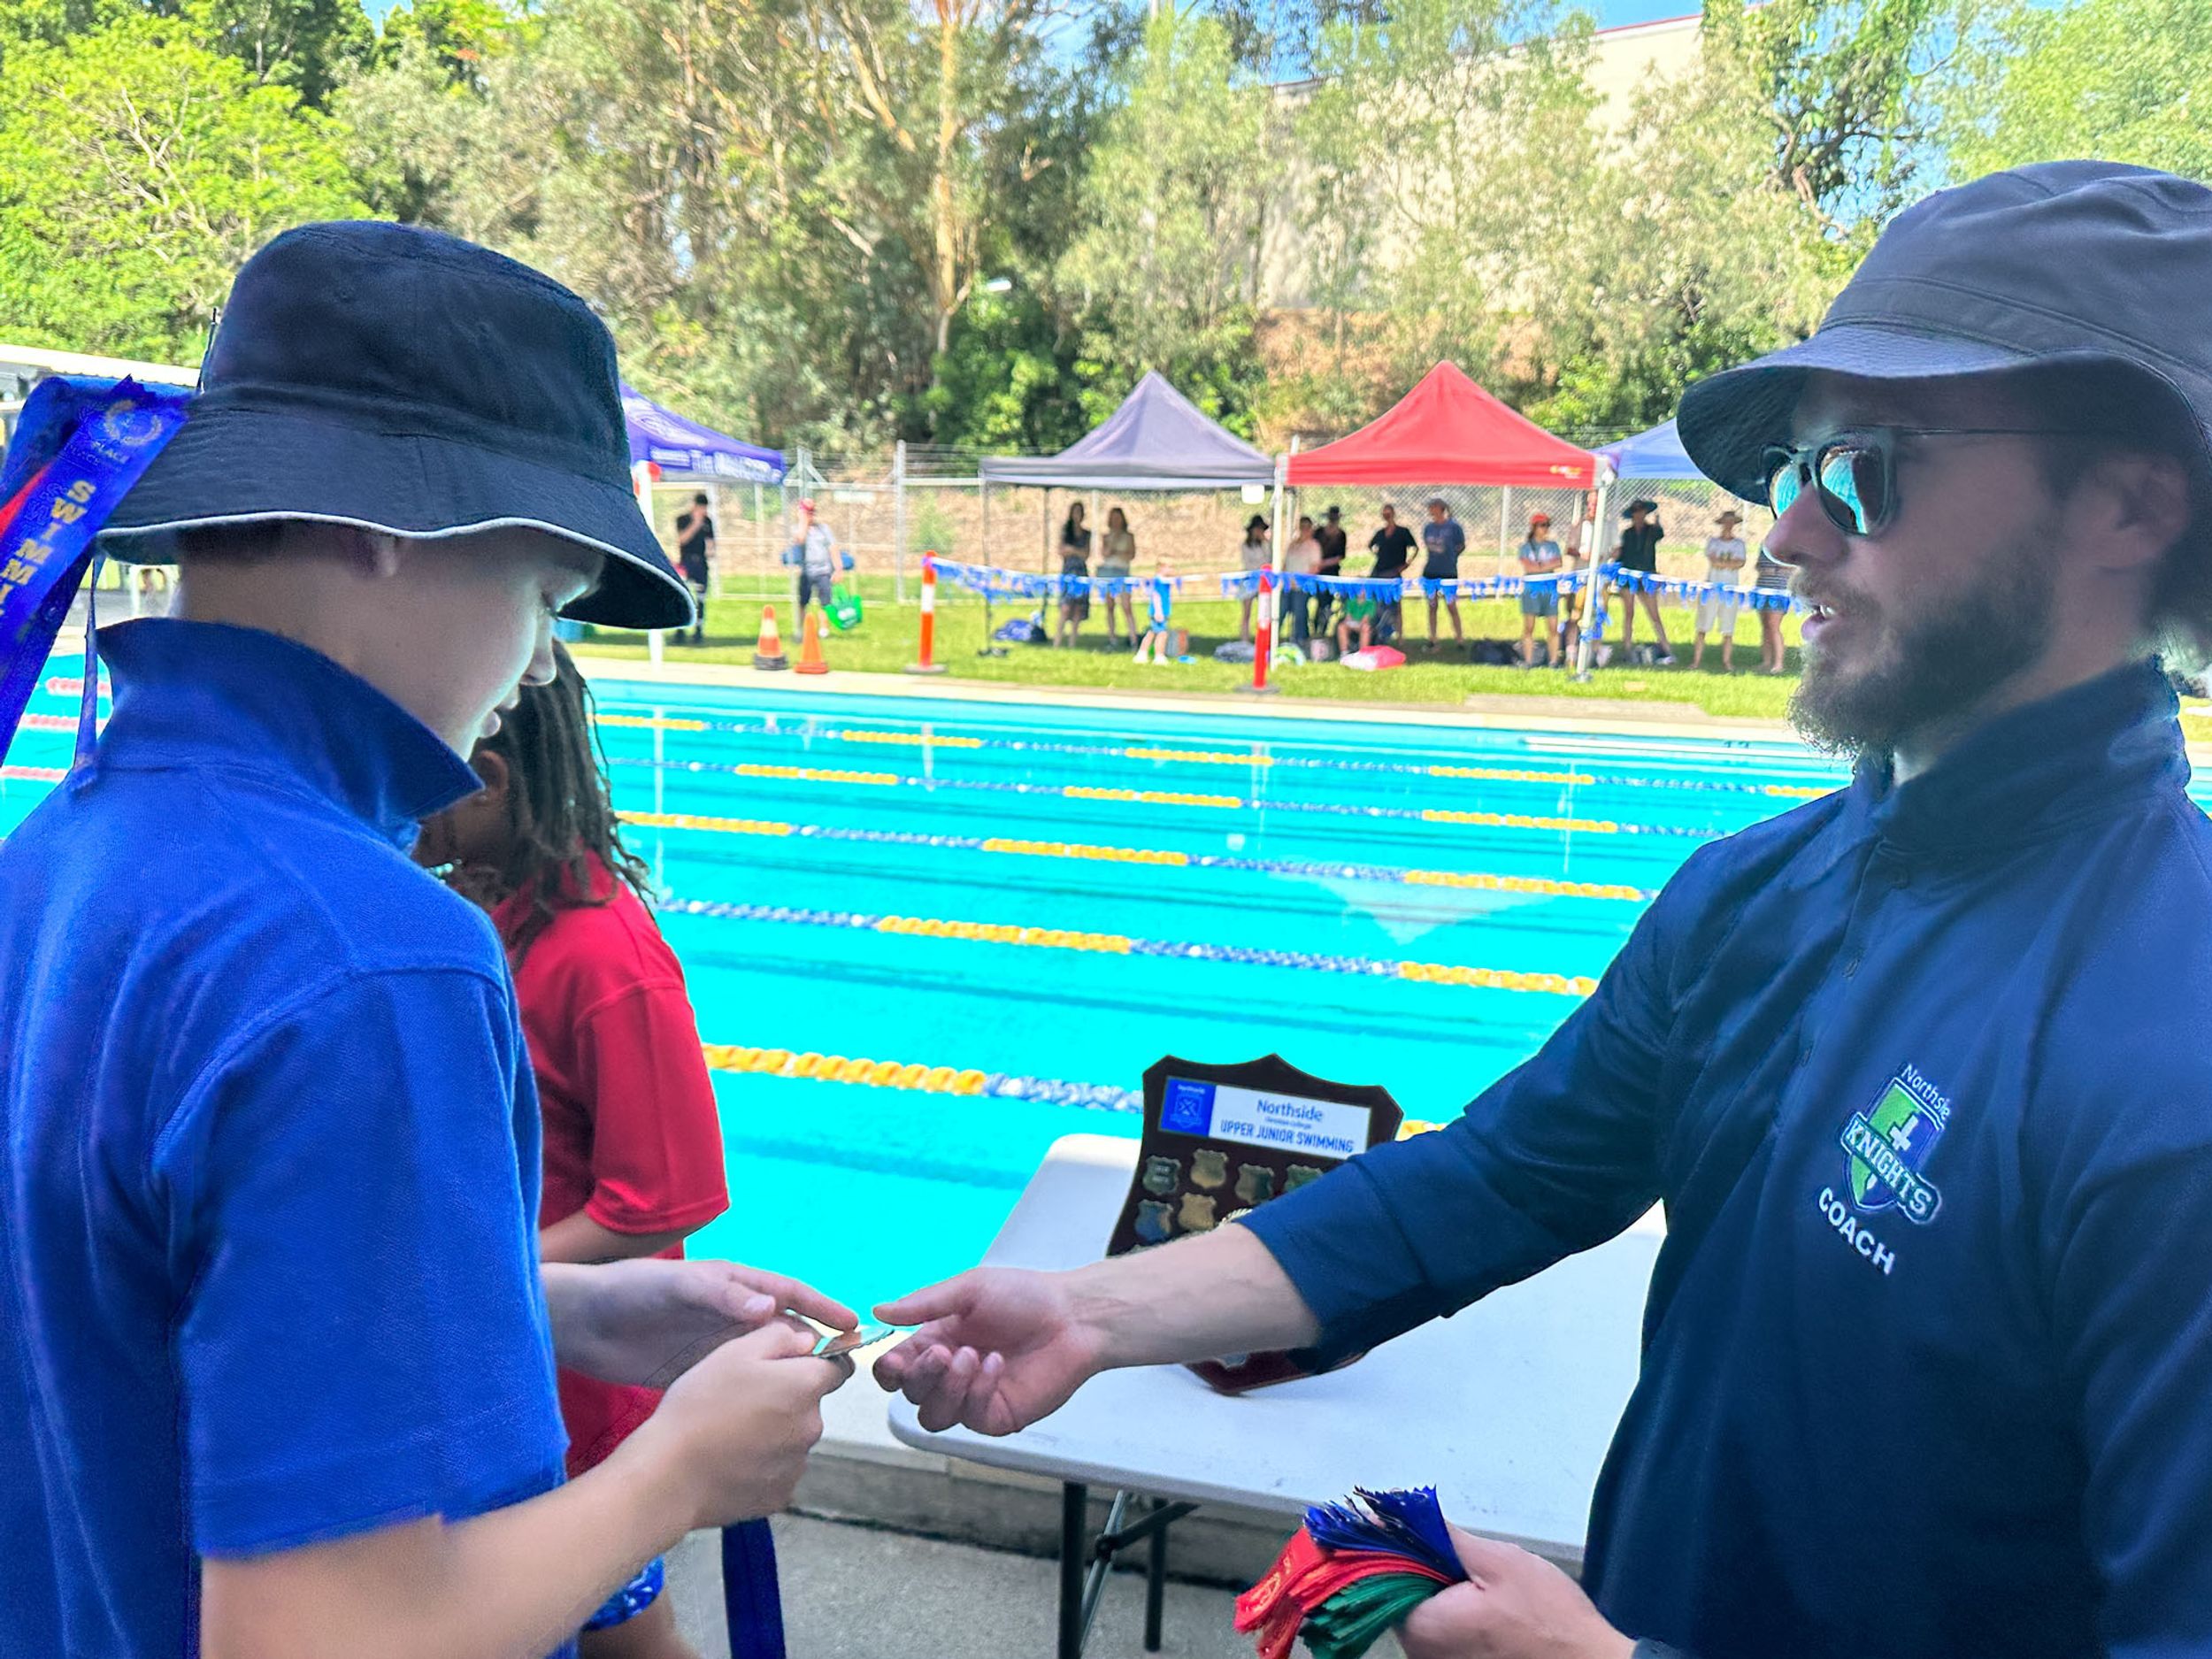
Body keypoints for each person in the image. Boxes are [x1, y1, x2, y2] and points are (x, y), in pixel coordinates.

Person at [872, 163, 2212, 1659]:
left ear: (2129, 501)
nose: (1788, 535)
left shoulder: (2174, 1059)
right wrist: (1095, 1313)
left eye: (1866, 469)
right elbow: (1501, 1177)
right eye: (1795, 469)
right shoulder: (1760, 895)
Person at [0, 223, 856, 1659]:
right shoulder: (369, 958)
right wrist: (677, 1471)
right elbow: (324, 1638)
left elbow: (129, 1316)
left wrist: (554, 1311)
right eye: (545, 598)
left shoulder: (58, 854)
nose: (541, 664)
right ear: (389, 522)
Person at [416, 642, 733, 1659]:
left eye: (415, 780)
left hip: (575, 1388)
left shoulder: (602, 958)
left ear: (487, 779)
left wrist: (480, 1275)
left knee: (620, 1629)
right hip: (509, 1354)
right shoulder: (490, 913)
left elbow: (664, 1200)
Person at [1611, 498, 1675, 664]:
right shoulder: (1627, 534)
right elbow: (1622, 555)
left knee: (1654, 614)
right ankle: (1627, 648)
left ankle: (1666, 648)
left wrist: (1658, 522)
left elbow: (1660, 534)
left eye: (1641, 512)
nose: (1639, 515)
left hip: (1647, 576)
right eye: (1636, 512)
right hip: (1629, 576)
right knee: (1629, 613)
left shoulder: (1651, 531)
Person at [1689, 509, 1748, 671]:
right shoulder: (1713, 542)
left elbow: (1740, 563)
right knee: (1703, 625)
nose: (1728, 525)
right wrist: (1728, 564)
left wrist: (1724, 564)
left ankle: (1727, 662)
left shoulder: (1739, 544)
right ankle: (1696, 661)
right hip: (1712, 588)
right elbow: (1714, 561)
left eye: (1731, 522)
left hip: (1730, 590)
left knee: (1728, 628)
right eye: (1726, 522)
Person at [1515, 511, 1564, 667]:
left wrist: (1540, 566)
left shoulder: (1553, 546)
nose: (1545, 528)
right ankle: (1528, 660)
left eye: (1547, 525)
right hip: (1532, 589)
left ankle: (1554, 661)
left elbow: (1558, 562)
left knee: (1553, 627)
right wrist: (1545, 566)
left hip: (1550, 590)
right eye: (1542, 525)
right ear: (1534, 527)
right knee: (1529, 627)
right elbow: (1529, 567)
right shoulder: (1525, 548)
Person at [1418, 496, 1467, 651]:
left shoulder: (1453, 527)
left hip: (1448, 571)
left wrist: (1451, 557)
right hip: (1431, 571)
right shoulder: (1428, 528)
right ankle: (1433, 638)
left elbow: (1461, 545)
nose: (1431, 510)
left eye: (1433, 507)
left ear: (1441, 508)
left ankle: (1459, 638)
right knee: (1432, 605)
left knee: (1451, 605)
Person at [791, 497, 842, 630]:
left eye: (812, 512)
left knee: (825, 603)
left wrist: (838, 569)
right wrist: (803, 521)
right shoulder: (796, 529)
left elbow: (833, 547)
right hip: (806, 572)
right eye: (807, 512)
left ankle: (824, 629)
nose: (810, 515)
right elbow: (800, 539)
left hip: (823, 571)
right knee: (803, 602)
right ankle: (801, 630)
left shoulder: (823, 529)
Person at [1368, 503, 1417, 643]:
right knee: (1377, 604)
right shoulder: (1380, 533)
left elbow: (1414, 548)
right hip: (1379, 572)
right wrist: (1379, 555)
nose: (1387, 516)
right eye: (1384, 513)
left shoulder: (1403, 532)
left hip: (1394, 572)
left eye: (1388, 513)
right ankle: (1378, 632)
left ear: (1393, 514)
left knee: (1396, 605)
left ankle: (1400, 636)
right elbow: (1371, 546)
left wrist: (1406, 564)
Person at [674, 492, 714, 646]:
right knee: (683, 596)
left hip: (701, 563)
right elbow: (682, 540)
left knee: (701, 598)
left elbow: (710, 541)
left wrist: (711, 550)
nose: (703, 511)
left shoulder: (708, 522)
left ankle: (698, 631)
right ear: (695, 506)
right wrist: (696, 524)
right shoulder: (683, 519)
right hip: (686, 562)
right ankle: (680, 630)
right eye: (701, 508)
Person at [1096, 505, 1138, 647]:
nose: (1116, 521)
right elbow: (1106, 553)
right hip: (1108, 572)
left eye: (1118, 518)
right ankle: (1112, 638)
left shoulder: (1129, 537)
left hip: (1122, 572)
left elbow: (1130, 555)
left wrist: (1117, 552)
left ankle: (1133, 638)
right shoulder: (1106, 537)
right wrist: (1113, 542)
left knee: (1126, 605)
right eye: (1113, 518)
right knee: (1110, 606)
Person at [1282, 513, 1323, 648]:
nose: (1304, 529)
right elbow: (1285, 564)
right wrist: (1285, 579)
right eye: (1302, 526)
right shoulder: (1292, 545)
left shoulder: (1314, 546)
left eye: (1307, 527)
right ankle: (1273, 638)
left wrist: (1301, 581)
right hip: (1288, 585)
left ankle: (1301, 640)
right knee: (1282, 610)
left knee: (1300, 612)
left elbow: (1315, 567)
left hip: (1303, 586)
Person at [1056, 503, 1091, 648]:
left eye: (1080, 512)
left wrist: (1072, 549)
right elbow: (1061, 551)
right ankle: (1057, 641)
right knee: (1065, 607)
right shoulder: (1066, 531)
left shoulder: (1086, 534)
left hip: (1081, 571)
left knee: (1077, 608)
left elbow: (1085, 554)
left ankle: (1072, 642)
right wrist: (1076, 550)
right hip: (1068, 571)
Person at [1754, 539, 1792, 673]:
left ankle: (1778, 664)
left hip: (1778, 591)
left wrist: (1775, 570)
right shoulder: (1764, 547)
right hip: (1763, 588)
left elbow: (1791, 567)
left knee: (1773, 625)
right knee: (1765, 626)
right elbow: (1758, 565)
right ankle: (1766, 661)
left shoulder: (1788, 546)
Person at [1312, 504, 1349, 637]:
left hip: (1332, 572)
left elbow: (1340, 556)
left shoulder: (1341, 535)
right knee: (1320, 601)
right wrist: (1317, 564)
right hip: (1317, 572)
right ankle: (1316, 628)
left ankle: (1324, 629)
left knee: (1328, 602)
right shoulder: (1319, 532)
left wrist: (1325, 563)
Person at [1236, 512, 1271, 642]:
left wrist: (1265, 542)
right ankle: (1244, 639)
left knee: (1264, 611)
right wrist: (1260, 566)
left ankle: (1263, 638)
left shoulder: (1266, 544)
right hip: (1249, 580)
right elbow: (1248, 564)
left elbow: (1269, 560)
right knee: (1246, 612)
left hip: (1263, 580)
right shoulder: (1245, 546)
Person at [1133, 563, 1177, 664]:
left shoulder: (1164, 581)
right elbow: (1155, 596)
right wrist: (1158, 611)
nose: (1172, 570)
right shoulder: (1158, 581)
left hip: (1162, 611)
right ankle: (1159, 656)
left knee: (1152, 633)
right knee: (1162, 634)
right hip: (1159, 612)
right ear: (1161, 568)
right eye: (1170, 567)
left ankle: (1142, 654)